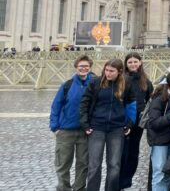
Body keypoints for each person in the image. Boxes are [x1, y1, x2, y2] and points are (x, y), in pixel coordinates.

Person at [80, 59, 137, 191]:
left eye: (111, 71)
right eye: (106, 70)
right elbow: (85, 103)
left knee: (114, 165)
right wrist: (85, 123)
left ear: (119, 72)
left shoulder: (127, 83)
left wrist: (129, 124)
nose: (108, 73)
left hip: (117, 129)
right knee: (94, 165)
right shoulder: (95, 82)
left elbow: (132, 105)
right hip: (96, 127)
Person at [50, 55, 96, 191]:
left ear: (90, 68)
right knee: (63, 163)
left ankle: (79, 188)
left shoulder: (94, 84)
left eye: (86, 66)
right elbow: (56, 106)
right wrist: (55, 127)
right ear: (76, 67)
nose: (83, 68)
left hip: (85, 131)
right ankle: (63, 188)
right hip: (65, 131)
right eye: (81, 66)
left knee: (83, 163)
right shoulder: (67, 85)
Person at [119, 52, 154, 190]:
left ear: (140, 63)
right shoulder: (121, 79)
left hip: (138, 120)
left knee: (133, 151)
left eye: (135, 61)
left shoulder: (146, 81)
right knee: (122, 151)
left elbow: (150, 100)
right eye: (130, 62)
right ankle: (118, 179)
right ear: (126, 64)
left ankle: (127, 180)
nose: (133, 64)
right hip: (124, 119)